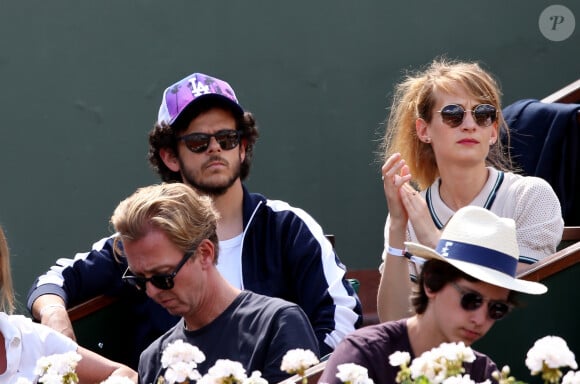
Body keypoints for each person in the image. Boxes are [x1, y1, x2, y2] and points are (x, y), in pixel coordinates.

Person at [27, 72, 361, 366]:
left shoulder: (287, 226)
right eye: (199, 142)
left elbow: (342, 323)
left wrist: (288, 372)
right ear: (170, 155)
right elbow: (54, 279)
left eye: (228, 139)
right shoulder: (146, 241)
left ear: (243, 148)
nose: (216, 148)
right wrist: (57, 319)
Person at [376, 58, 563, 322]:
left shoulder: (530, 196)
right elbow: (394, 321)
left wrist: (436, 244)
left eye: (483, 114)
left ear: (493, 131)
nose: (469, 124)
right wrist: (397, 226)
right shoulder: (409, 213)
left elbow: (512, 304)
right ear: (423, 129)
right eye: (453, 114)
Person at [110, 182, 320, 383]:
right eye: (138, 280)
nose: (152, 291)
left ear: (205, 253)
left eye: (162, 277)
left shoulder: (276, 325)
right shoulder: (154, 359)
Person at [320, 205, 548, 384]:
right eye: (471, 300)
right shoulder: (363, 356)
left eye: (496, 309)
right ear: (431, 282)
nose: (480, 319)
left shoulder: (482, 373)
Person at [0, 225, 138, 383]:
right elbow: (54, 279)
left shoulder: (29, 338)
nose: (153, 289)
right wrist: (53, 312)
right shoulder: (127, 242)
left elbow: (126, 375)